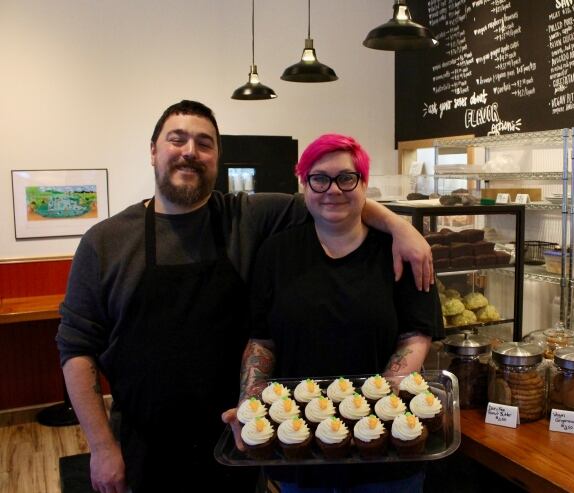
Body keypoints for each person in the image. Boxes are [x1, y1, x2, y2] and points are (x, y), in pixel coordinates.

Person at [56, 101, 434, 493]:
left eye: (205, 143)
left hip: (238, 433)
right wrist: (100, 447)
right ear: (153, 151)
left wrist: (399, 226)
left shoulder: (247, 216)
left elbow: (332, 199)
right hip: (147, 445)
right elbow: (76, 348)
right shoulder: (105, 242)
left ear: (217, 157)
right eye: (177, 139)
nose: (190, 151)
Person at [225, 134, 444, 492]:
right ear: (304, 185)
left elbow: (416, 333)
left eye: (346, 177)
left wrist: (379, 405)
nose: (333, 190)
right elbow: (262, 340)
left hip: (385, 453)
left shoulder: (402, 251)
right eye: (319, 178)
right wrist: (250, 404)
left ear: (364, 183)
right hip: (299, 452)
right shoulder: (276, 253)